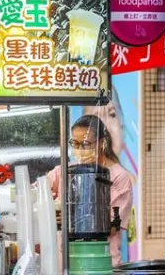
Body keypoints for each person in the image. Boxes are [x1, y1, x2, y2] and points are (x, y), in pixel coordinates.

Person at [47, 114, 133, 266]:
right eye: (75, 143)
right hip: (67, 263)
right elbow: (37, 192)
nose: (79, 150)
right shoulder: (64, 171)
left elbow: (113, 227)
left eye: (85, 144)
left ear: (101, 143)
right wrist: (49, 212)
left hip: (101, 263)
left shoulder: (119, 177)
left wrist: (70, 219)